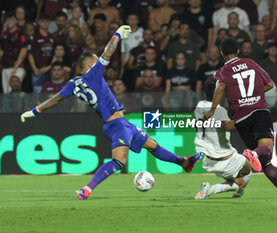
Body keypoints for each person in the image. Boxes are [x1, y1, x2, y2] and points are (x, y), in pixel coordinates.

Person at [20, 25, 202, 200]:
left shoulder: (73, 83)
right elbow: (108, 52)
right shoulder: (93, 74)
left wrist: (34, 111)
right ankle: (87, 189)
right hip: (115, 125)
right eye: (95, 59)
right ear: (91, 64)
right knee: (119, 161)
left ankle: (185, 163)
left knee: (152, 145)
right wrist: (116, 35)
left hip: (122, 124)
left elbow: (56, 99)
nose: (98, 60)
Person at [203, 38, 277, 203]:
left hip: (241, 119)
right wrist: (255, 94)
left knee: (265, 160)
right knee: (266, 150)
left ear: (222, 53)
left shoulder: (222, 71)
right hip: (259, 112)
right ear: (238, 51)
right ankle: (253, 153)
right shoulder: (251, 63)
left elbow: (220, 87)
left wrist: (212, 110)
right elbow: (269, 85)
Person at [194, 76, 258, 200]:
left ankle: (238, 190)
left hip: (209, 158)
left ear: (205, 92)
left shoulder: (199, 105)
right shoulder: (219, 110)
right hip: (225, 158)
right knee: (247, 170)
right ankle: (210, 190)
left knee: (236, 181)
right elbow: (228, 126)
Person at [0, 13, 27, 94]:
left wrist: (15, 67)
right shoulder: (5, 34)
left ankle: (20, 107)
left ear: (16, 21)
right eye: (7, 20)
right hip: (6, 67)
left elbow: (23, 51)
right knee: (6, 93)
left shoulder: (20, 34)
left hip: (17, 67)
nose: (9, 22)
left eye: (12, 20)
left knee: (15, 89)